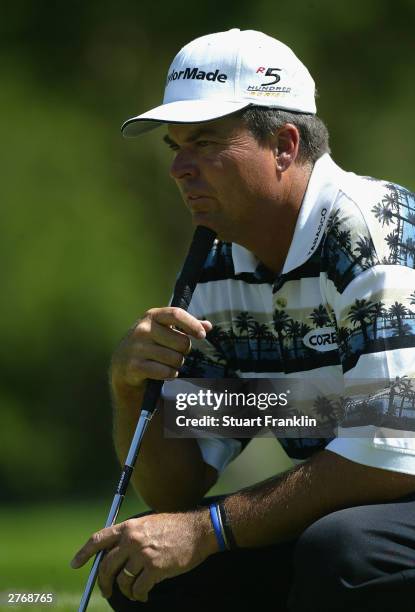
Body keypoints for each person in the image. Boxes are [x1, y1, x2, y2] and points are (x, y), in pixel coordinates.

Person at [70, 29, 415, 611]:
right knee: (142, 566)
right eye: (175, 146)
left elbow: (393, 451)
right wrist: (131, 391)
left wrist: (206, 531)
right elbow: (179, 484)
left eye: (205, 143)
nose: (180, 167)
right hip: (359, 511)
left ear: (283, 145)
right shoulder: (218, 262)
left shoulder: (371, 231)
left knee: (348, 552)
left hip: (388, 494)